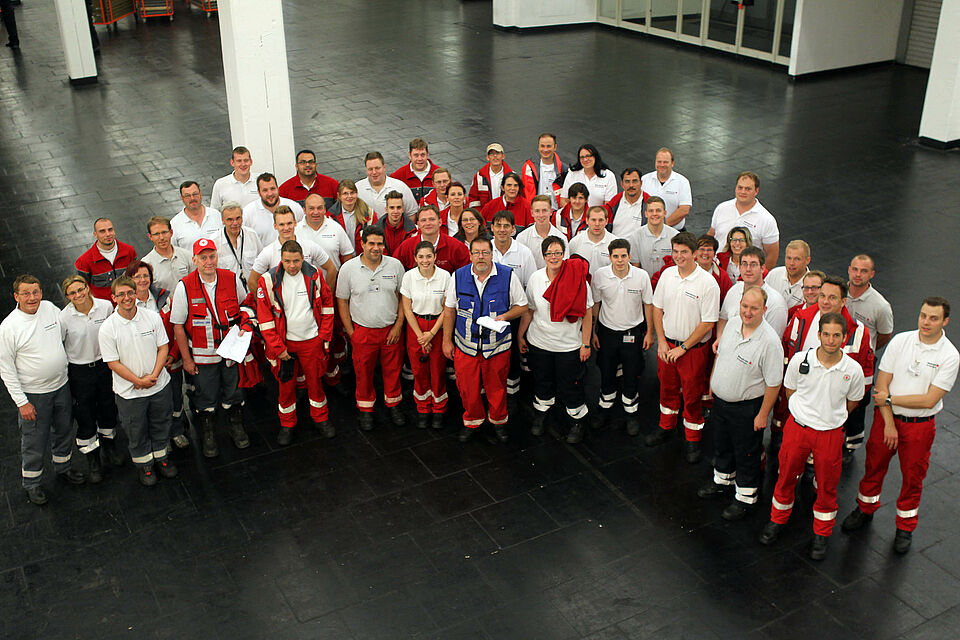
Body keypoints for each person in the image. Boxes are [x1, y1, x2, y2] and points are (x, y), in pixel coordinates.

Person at [842, 297, 958, 553]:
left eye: (934, 318)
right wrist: (889, 422)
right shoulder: (901, 341)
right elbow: (881, 386)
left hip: (919, 426)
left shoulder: (950, 356)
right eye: (923, 315)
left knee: (913, 476)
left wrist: (890, 400)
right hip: (886, 419)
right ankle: (865, 508)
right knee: (874, 465)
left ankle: (905, 526)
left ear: (945, 321)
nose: (926, 322)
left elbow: (929, 400)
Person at [760, 313, 865, 560]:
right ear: (818, 335)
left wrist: (829, 417)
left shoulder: (853, 370)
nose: (830, 340)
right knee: (785, 476)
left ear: (844, 338)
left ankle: (822, 533)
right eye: (826, 334)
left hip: (830, 434)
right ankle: (777, 520)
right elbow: (790, 390)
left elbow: (853, 402)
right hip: (798, 429)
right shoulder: (800, 360)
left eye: (836, 335)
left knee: (827, 486)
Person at [698, 286, 783, 520]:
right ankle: (723, 481)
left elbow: (774, 383)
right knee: (722, 445)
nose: (748, 311)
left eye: (754, 308)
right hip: (721, 403)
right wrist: (713, 382)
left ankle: (746, 498)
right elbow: (721, 355)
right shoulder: (733, 324)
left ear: (764, 310)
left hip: (747, 409)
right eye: (745, 306)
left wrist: (763, 414)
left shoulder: (770, 342)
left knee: (746, 453)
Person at [0, 275, 85, 505]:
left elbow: (64, 334)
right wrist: (22, 402)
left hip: (62, 386)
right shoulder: (8, 327)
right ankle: (32, 483)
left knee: (64, 430)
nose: (32, 297)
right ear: (16, 296)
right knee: (34, 440)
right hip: (34, 395)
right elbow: (6, 369)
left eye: (35, 292)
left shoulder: (49, 309)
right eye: (26, 293)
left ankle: (63, 467)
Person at [777, 275, 874, 464]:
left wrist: (838, 411)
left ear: (843, 301)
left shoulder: (858, 331)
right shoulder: (801, 318)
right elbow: (788, 355)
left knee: (823, 471)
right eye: (822, 296)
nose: (825, 302)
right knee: (790, 464)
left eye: (832, 297)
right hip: (800, 415)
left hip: (831, 422)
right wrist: (795, 404)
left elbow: (865, 377)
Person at [171, 238, 254, 458]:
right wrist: (186, 359)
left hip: (231, 353)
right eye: (203, 257)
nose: (209, 262)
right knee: (204, 396)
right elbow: (178, 326)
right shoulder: (184, 286)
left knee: (234, 391)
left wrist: (245, 327)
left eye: (212, 256)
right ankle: (208, 433)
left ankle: (236, 425)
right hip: (202, 357)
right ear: (194, 260)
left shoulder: (231, 278)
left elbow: (246, 306)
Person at [443, 236, 528, 442]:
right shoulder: (458, 276)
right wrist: (446, 340)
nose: (481, 257)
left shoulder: (508, 276)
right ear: (470, 255)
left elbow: (522, 306)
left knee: (497, 388)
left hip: (497, 346)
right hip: (466, 346)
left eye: (485, 253)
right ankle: (472, 421)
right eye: (476, 253)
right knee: (467, 389)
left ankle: (498, 422)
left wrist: (505, 317)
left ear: (492, 255)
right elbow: (449, 310)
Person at [648, 232, 721, 463]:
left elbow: (708, 322)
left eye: (684, 252)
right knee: (666, 389)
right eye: (676, 252)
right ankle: (666, 426)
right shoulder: (667, 275)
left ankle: (693, 438)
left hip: (693, 351)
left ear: (695, 254)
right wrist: (661, 341)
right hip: (667, 346)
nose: (679, 256)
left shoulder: (708, 283)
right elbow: (657, 308)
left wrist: (684, 348)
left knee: (692, 395)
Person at [99, 277, 177, 487]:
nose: (127, 298)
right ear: (113, 298)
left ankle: (161, 457)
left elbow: (163, 347)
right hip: (130, 393)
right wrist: (138, 381)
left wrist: (154, 375)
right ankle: (145, 465)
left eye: (130, 293)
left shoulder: (152, 317)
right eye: (121, 294)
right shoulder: (108, 328)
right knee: (136, 430)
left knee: (161, 423)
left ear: (136, 293)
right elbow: (113, 363)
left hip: (159, 386)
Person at [256, 240, 336, 445]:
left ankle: (321, 418)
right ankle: (287, 424)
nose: (292, 266)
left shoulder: (314, 275)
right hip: (285, 345)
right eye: (287, 261)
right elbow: (265, 319)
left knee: (315, 383)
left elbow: (327, 305)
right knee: (286, 387)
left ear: (303, 258)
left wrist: (323, 336)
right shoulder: (268, 280)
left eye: (296, 261)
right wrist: (278, 348)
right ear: (281, 259)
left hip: (312, 341)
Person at [520, 237, 594, 444]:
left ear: (564, 254)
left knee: (571, 385)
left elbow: (587, 314)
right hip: (540, 343)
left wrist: (585, 343)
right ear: (543, 256)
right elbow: (530, 310)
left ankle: (577, 421)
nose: (553, 257)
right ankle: (541, 415)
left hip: (568, 345)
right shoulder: (536, 278)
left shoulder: (577, 279)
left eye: (558, 253)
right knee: (542, 382)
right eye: (549, 253)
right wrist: (520, 335)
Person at [336, 226, 406, 431]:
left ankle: (393, 404)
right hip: (362, 331)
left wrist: (398, 326)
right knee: (363, 372)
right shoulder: (348, 268)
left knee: (393, 370)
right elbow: (342, 301)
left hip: (390, 330)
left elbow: (404, 298)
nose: (376, 248)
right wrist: (351, 332)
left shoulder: (395, 265)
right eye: (372, 244)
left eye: (380, 244)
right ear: (362, 244)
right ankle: (366, 409)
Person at [591, 238, 654, 436]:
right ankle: (604, 409)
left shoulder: (641, 276)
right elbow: (595, 304)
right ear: (610, 257)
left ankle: (631, 413)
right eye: (616, 256)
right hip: (607, 333)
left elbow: (648, 305)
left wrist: (649, 332)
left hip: (633, 333)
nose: (620, 260)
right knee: (607, 372)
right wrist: (593, 332)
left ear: (629, 256)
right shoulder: (600, 275)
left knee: (632, 373)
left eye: (623, 256)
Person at [59, 276, 119, 482]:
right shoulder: (63, 318)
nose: (78, 295)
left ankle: (110, 446)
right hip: (80, 371)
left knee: (108, 407)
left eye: (80, 289)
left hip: (104, 365)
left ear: (87, 288)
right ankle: (93, 459)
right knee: (85, 413)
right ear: (67, 296)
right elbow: (60, 344)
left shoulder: (105, 307)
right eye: (72, 293)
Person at [126, 261, 189, 449]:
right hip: (147, 365)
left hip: (170, 361)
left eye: (145, 276)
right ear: (129, 280)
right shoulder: (127, 305)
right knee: (155, 404)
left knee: (175, 398)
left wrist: (174, 353)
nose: (142, 280)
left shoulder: (165, 299)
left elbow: (177, 326)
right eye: (137, 277)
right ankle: (161, 438)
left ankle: (176, 431)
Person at [400, 241, 452, 429]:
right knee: (419, 371)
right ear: (415, 258)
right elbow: (407, 309)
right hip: (416, 327)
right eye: (421, 257)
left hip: (438, 327)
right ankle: (423, 408)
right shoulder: (409, 277)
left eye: (429, 256)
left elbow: (447, 308)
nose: (425, 260)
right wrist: (421, 336)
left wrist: (431, 333)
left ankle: (439, 409)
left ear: (435, 257)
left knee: (438, 370)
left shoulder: (445, 276)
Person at [490, 210, 538, 402]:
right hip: (489, 316)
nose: (502, 230)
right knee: (492, 358)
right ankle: (493, 395)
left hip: (515, 315)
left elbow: (530, 288)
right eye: (498, 225)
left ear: (513, 229)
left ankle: (512, 399)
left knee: (512, 358)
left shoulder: (524, 253)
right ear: (492, 228)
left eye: (506, 226)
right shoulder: (485, 249)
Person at [248, 206, 337, 293]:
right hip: (281, 301)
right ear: (275, 226)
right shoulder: (268, 252)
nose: (286, 228)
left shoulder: (310, 246)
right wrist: (267, 301)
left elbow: (332, 269)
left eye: (289, 223)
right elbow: (252, 282)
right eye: (282, 224)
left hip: (308, 301)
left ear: (295, 223)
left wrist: (325, 296)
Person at [708, 171, 779, 270]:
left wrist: (760, 275)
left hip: (748, 273)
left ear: (756, 191)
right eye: (740, 187)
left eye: (748, 189)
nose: (743, 192)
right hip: (718, 270)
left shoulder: (767, 219)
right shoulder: (721, 208)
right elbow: (711, 236)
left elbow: (772, 255)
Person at [717, 246, 789, 339]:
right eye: (744, 264)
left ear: (762, 268)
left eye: (753, 264)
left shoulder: (776, 303)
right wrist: (720, 340)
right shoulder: (734, 290)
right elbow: (723, 318)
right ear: (739, 267)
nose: (748, 269)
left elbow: (774, 340)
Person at [395, 205, 470, 274]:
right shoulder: (406, 246)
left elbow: (466, 274)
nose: (428, 223)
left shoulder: (456, 247)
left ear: (440, 222)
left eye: (432, 219)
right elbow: (394, 268)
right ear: (418, 224)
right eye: (423, 220)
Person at [75, 218, 137, 301]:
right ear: (95, 234)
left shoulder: (129, 251)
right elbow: (82, 289)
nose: (108, 234)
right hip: (103, 307)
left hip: (129, 303)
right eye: (102, 231)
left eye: (110, 230)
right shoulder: (84, 261)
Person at [846, 254, 894, 351]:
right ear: (849, 270)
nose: (858, 274)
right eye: (855, 269)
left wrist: (867, 350)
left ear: (871, 274)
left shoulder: (881, 306)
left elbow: (885, 336)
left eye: (864, 271)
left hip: (863, 358)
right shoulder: (837, 293)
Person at [212, 202, 262, 291]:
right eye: (230, 219)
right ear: (223, 221)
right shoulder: (214, 241)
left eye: (238, 218)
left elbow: (262, 264)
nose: (235, 223)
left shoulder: (252, 235)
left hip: (252, 291)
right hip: (228, 293)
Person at [243, 173, 305, 246]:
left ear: (278, 188)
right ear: (259, 192)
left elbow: (304, 231)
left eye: (273, 189)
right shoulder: (248, 213)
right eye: (265, 190)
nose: (270, 194)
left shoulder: (294, 207)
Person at [296, 194, 355, 269]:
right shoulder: (296, 230)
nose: (316, 212)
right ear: (304, 210)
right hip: (304, 276)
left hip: (333, 276)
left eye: (319, 208)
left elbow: (347, 254)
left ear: (324, 209)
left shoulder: (336, 227)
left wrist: (342, 273)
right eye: (311, 208)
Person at [624, 196, 678, 277]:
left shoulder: (675, 236)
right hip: (644, 281)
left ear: (665, 213)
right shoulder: (636, 236)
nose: (654, 214)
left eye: (658, 210)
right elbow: (635, 268)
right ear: (646, 214)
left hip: (669, 281)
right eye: (651, 211)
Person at [640, 148, 693, 230]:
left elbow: (684, 210)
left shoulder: (682, 182)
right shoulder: (644, 180)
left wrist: (662, 226)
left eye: (665, 162)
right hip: (648, 230)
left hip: (675, 231)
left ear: (672, 163)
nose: (662, 165)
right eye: (659, 162)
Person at [356, 151, 419, 221]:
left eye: (377, 168)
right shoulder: (357, 189)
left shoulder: (400, 187)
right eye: (370, 169)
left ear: (384, 167)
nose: (374, 172)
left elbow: (412, 213)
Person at [142, 216, 195, 293]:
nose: (161, 237)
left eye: (164, 232)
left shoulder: (187, 255)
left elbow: (196, 282)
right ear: (150, 237)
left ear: (171, 233)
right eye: (156, 234)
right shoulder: (146, 263)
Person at [517, 195, 568, 270]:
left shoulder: (562, 238)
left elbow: (564, 266)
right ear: (532, 213)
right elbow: (520, 265)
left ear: (551, 212)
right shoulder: (522, 238)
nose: (541, 215)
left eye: (544, 210)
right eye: (537, 211)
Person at [568, 206, 620, 278]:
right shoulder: (575, 242)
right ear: (587, 220)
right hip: (583, 284)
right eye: (593, 220)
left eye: (601, 220)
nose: (597, 224)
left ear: (606, 221)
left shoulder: (616, 243)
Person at [520, 132, 567, 209]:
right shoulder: (529, 168)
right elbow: (523, 192)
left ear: (555, 147)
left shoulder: (564, 170)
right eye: (542, 146)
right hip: (536, 212)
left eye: (549, 146)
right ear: (538, 147)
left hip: (556, 213)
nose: (545, 149)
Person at [171, 181, 223, 250]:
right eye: (187, 196)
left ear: (200, 194)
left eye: (195, 194)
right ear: (182, 198)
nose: (192, 198)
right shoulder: (174, 224)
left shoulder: (216, 215)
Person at [327, 178, 373, 254]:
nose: (349, 196)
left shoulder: (368, 212)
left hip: (363, 256)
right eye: (345, 193)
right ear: (339, 196)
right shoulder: (331, 216)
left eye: (352, 193)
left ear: (357, 193)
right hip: (341, 257)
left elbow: (375, 236)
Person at [765, 239, 811, 310]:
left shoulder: (812, 286)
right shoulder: (774, 274)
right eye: (789, 258)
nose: (791, 263)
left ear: (807, 260)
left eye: (797, 259)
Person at [390, 137, 439, 203]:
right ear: (410, 155)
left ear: (427, 154)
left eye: (422, 155)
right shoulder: (398, 176)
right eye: (416, 155)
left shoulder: (440, 174)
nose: (420, 159)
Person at [210, 146, 258, 211]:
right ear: (232, 163)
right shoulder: (220, 184)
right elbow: (214, 211)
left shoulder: (260, 181)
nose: (243, 164)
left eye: (246, 160)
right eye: (239, 161)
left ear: (251, 162)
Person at [469, 143, 513, 209]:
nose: (495, 156)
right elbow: (473, 200)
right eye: (491, 154)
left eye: (498, 153)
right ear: (487, 157)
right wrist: (480, 214)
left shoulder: (512, 177)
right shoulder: (479, 177)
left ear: (503, 156)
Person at [607, 168, 647, 237]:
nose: (631, 185)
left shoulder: (649, 205)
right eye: (627, 181)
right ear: (622, 184)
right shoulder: (612, 205)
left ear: (641, 183)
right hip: (614, 243)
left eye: (634, 181)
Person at [376, 190, 418, 255]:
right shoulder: (376, 231)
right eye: (392, 208)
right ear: (386, 209)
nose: (395, 211)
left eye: (398, 207)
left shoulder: (414, 231)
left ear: (403, 209)